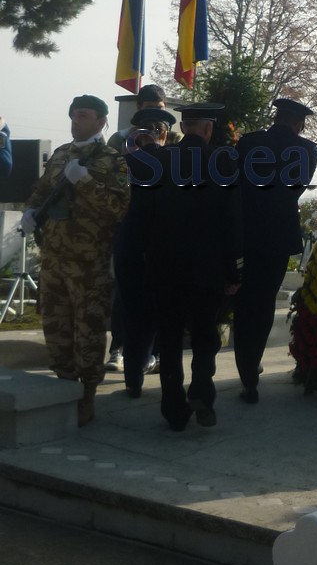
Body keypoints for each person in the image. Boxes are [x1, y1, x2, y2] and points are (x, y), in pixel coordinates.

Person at [127, 102, 242, 431]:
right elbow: (232, 222)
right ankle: (202, 392)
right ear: (208, 129)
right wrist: (234, 271)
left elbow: (139, 218)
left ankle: (173, 408)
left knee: (169, 337)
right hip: (207, 269)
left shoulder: (157, 161)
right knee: (206, 335)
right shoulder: (223, 162)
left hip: (164, 267)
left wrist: (141, 261)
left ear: (183, 126)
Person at [20, 95, 130, 426]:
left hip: (89, 263)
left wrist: (86, 181)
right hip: (54, 258)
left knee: (88, 330)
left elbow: (120, 207)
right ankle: (64, 385)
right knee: (55, 326)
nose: (75, 122)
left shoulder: (113, 160)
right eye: (73, 116)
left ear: (101, 121)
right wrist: (30, 210)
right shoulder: (60, 155)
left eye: (83, 116)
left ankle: (88, 393)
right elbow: (41, 190)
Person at [234, 98, 317, 402]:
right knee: (265, 300)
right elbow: (298, 187)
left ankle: (246, 368)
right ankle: (252, 366)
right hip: (279, 236)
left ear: (276, 118)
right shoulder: (307, 151)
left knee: (244, 301)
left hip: (246, 234)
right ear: (299, 124)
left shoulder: (248, 143)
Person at [114, 106, 176, 398]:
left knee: (136, 314)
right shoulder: (174, 164)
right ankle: (146, 370)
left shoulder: (124, 164)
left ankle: (135, 376)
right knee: (153, 313)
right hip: (155, 250)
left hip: (137, 249)